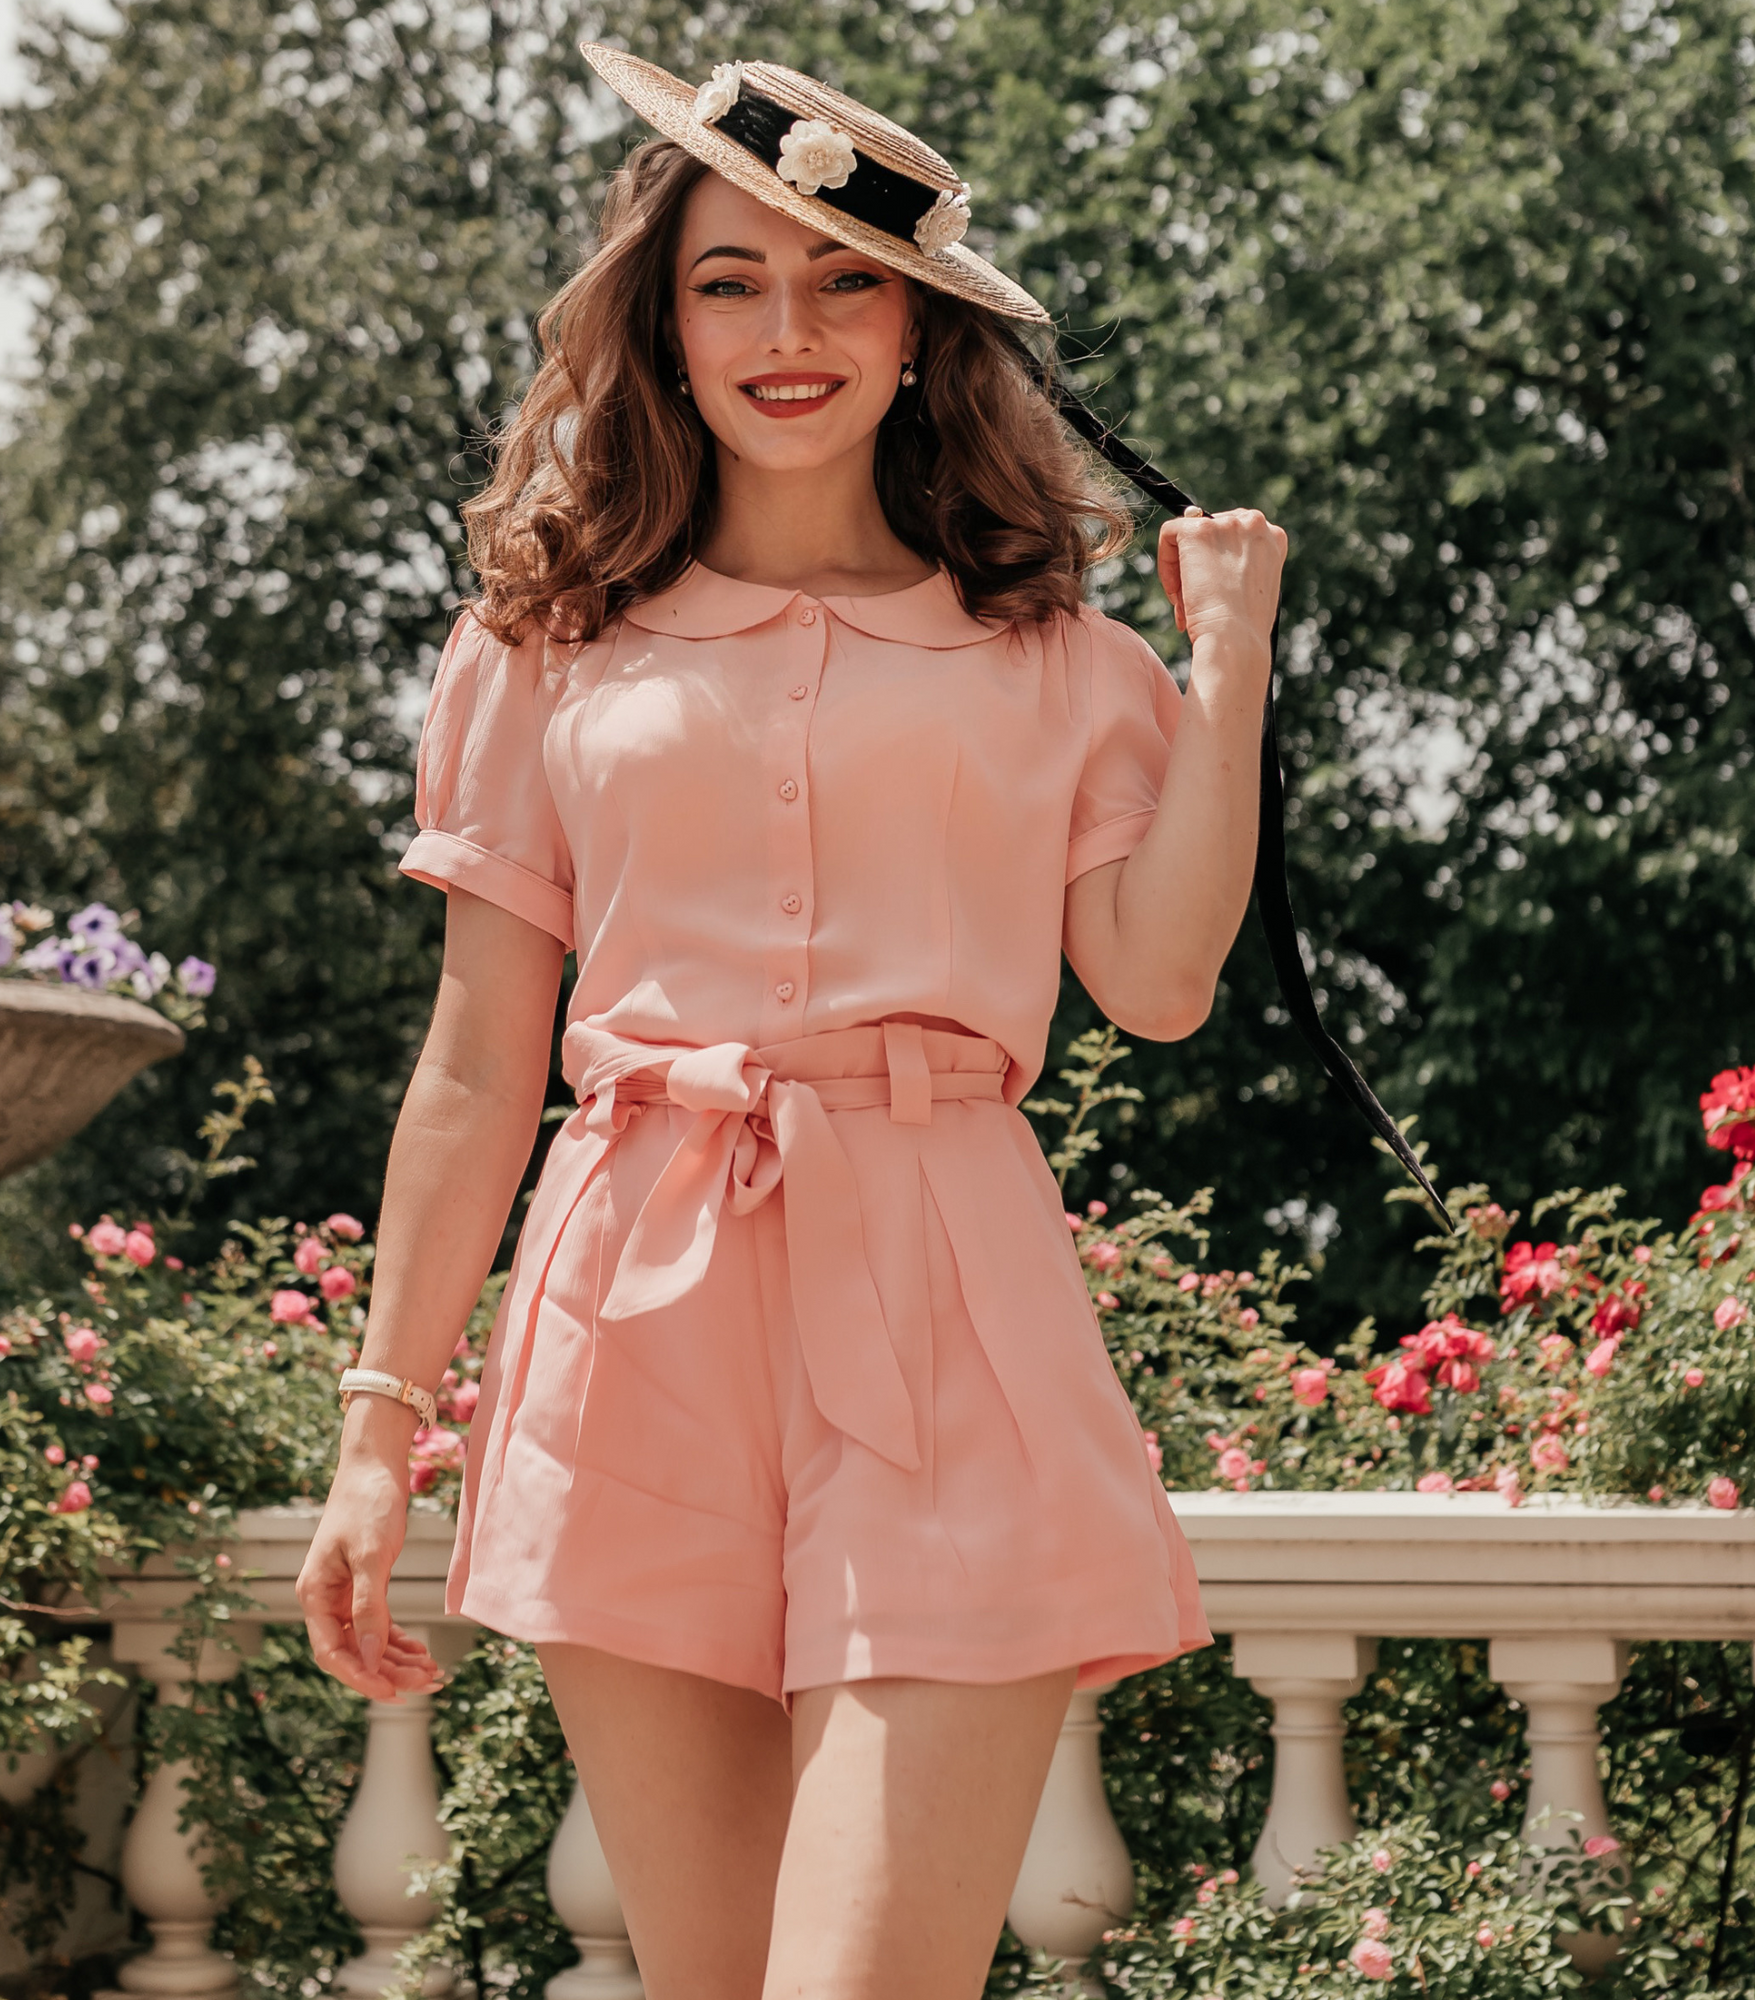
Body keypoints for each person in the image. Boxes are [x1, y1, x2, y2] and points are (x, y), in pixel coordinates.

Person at [298, 46, 1286, 2000]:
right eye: (731, 279)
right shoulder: (540, 647)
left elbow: (1160, 984)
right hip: (631, 1308)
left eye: (845, 281)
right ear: (660, 319)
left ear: (918, 329)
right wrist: (378, 1426)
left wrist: (1229, 665)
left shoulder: (1061, 662)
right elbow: (481, 1063)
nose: (789, 330)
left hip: (945, 1294)